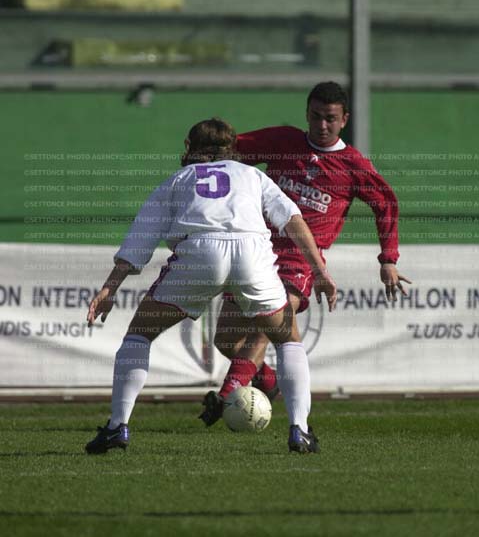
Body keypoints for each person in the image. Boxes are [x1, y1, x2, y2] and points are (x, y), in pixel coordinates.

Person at [84, 118, 337, 456]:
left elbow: (140, 238)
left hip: (200, 252)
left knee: (139, 335)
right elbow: (292, 220)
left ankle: (117, 427)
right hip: (251, 254)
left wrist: (109, 288)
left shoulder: (177, 180)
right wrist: (320, 271)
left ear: (189, 147)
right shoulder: (252, 175)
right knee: (287, 339)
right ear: (232, 148)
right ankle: (300, 430)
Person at [199, 82, 411, 426]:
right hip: (255, 250)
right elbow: (233, 151)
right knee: (226, 340)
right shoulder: (283, 142)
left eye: (330, 118)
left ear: (344, 119)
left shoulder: (352, 165)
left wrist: (388, 258)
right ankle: (267, 382)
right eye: (315, 116)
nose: (322, 125)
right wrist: (201, 155)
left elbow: (385, 203)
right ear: (307, 114)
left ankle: (226, 396)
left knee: (267, 323)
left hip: (300, 261)